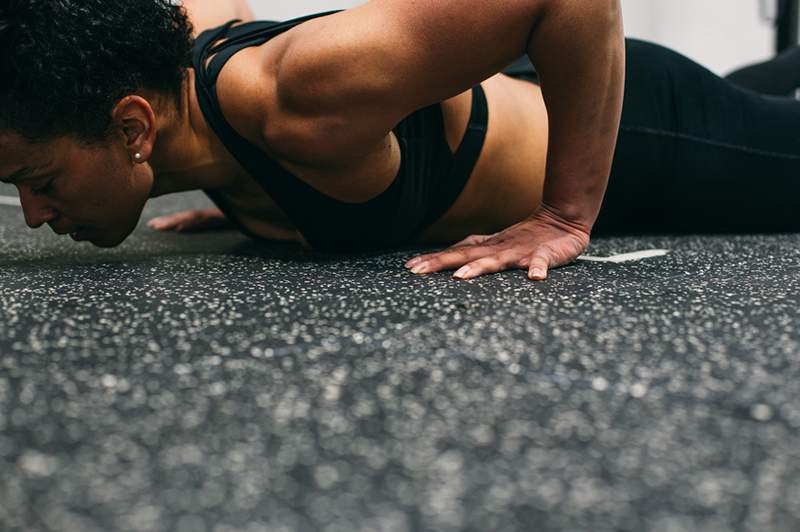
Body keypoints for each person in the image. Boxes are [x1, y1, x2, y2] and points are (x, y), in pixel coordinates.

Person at [0, 1, 798, 283]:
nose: (32, 214)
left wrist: (563, 215)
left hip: (649, 139)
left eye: (40, 179)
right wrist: (258, 205)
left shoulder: (299, 95)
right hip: (531, 85)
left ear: (133, 127)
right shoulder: (179, 94)